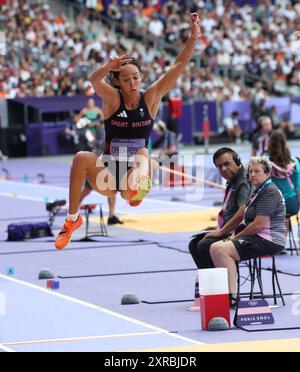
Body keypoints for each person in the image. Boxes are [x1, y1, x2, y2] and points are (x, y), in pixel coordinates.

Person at [55, 13, 201, 250]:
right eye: (126, 79)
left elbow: (178, 65)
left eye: (135, 78)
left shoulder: (151, 98)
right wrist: (107, 67)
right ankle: (72, 219)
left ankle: (137, 187)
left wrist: (193, 37)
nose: (132, 83)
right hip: (110, 172)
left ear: (141, 77)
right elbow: (94, 81)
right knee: (81, 157)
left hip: (135, 171)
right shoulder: (112, 99)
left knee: (144, 154)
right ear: (118, 83)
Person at [209, 157, 286, 307]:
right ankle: (223, 291)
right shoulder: (258, 191)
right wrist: (233, 235)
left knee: (223, 250)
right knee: (214, 247)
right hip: (257, 236)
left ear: (267, 174)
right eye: (250, 171)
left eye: (257, 171)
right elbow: (247, 221)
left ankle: (232, 296)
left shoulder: (269, 191)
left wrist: (235, 238)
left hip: (269, 240)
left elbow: (258, 225)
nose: (252, 175)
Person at [189, 148, 251, 271]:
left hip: (241, 233)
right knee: (194, 244)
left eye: (227, 164)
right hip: (229, 230)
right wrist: (218, 228)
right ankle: (212, 283)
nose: (223, 169)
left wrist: (221, 231)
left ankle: (224, 283)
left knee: (204, 245)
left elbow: (242, 212)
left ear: (237, 161)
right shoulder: (232, 182)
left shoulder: (242, 183)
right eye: (219, 166)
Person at [268, 130, 300, 217]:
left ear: (270, 143)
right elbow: (298, 187)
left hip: (274, 204)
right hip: (292, 204)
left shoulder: (266, 163)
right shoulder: (295, 161)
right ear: (285, 143)